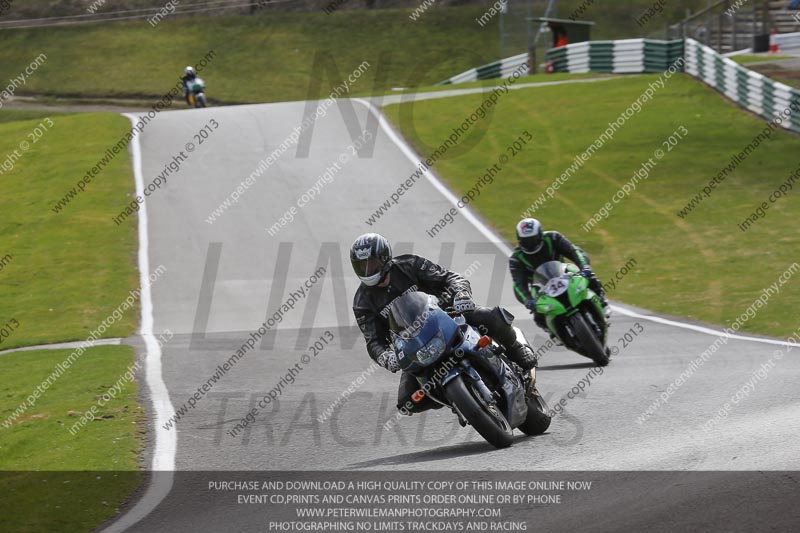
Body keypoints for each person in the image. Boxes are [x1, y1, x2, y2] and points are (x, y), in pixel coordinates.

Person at [350, 233, 537, 415]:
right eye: (362, 266)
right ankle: (454, 399)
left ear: (384, 258)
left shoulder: (409, 264)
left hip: (449, 316)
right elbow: (373, 341)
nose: (367, 270)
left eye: (371, 263)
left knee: (490, 317)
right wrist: (385, 357)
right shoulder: (362, 303)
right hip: (413, 345)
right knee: (408, 401)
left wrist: (461, 294)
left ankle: (516, 348)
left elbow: (450, 277)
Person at [509, 218, 609, 344]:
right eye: (526, 241)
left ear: (540, 235)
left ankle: (602, 301)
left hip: (563, 271)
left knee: (590, 277)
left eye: (533, 240)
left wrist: (584, 267)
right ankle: (552, 331)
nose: (530, 244)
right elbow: (519, 284)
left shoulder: (553, 237)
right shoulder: (516, 258)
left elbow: (573, 251)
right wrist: (528, 300)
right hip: (539, 285)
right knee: (537, 313)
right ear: (519, 240)